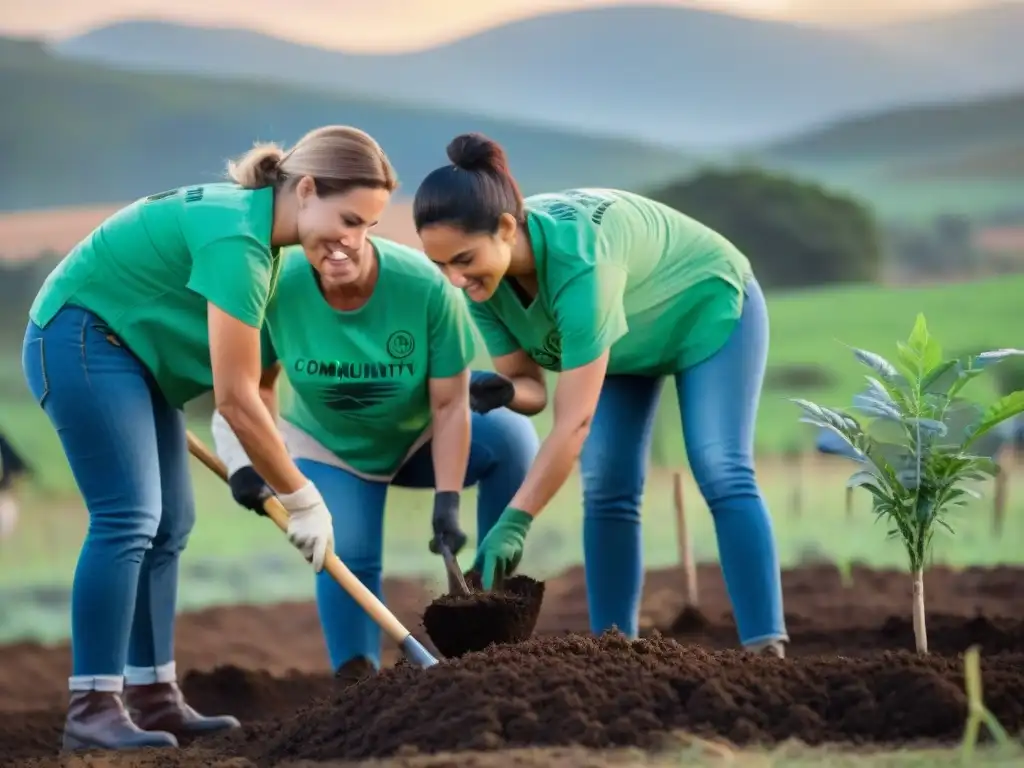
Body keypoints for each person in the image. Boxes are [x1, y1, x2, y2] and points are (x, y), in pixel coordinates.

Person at [21, 125, 398, 751]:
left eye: (368, 228)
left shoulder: (263, 239)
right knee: (127, 517)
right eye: (349, 218)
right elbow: (237, 399)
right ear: (306, 189)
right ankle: (92, 708)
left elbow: (240, 388)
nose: (352, 241)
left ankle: (152, 695)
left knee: (170, 522)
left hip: (132, 354)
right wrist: (303, 498)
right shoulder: (240, 241)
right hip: (81, 338)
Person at [412, 133, 789, 658]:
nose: (454, 279)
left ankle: (765, 645)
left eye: (463, 259)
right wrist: (501, 391)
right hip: (621, 342)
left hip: (706, 308)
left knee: (720, 466)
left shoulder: (580, 265)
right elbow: (533, 391)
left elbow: (573, 424)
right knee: (608, 482)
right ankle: (615, 650)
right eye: (441, 265)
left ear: (505, 228)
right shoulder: (483, 285)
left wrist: (515, 520)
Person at [209, 236, 539, 681]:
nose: (336, 246)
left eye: (352, 221)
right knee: (348, 552)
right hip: (330, 448)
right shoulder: (275, 287)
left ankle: (485, 608)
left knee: (514, 439)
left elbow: (449, 403)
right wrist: (254, 462)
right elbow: (255, 387)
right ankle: (356, 681)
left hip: (420, 432)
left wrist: (448, 501)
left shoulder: (421, 285)